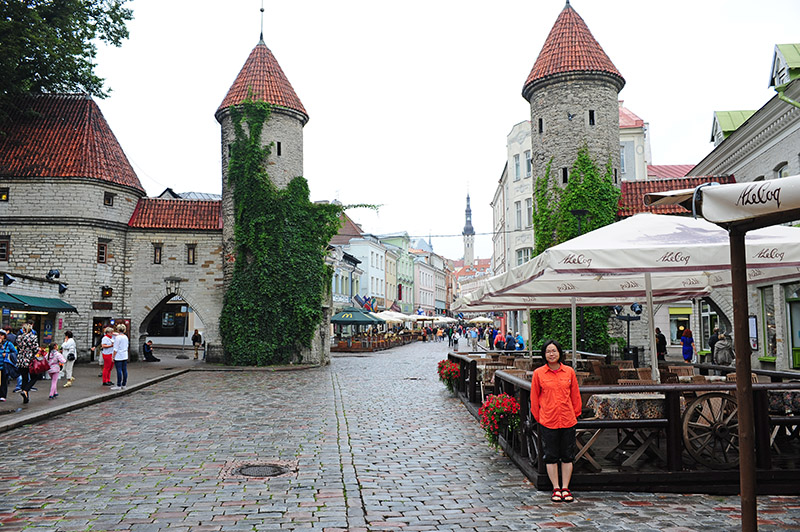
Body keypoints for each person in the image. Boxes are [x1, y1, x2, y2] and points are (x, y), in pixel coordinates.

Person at [530, 339, 581, 503]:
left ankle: (565, 487)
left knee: (567, 455)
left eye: (554, 351)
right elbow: (534, 397)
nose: (551, 354)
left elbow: (575, 395)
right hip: (548, 419)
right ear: (544, 355)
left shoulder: (569, 372)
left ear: (559, 353)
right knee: (551, 455)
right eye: (548, 351)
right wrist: (540, 417)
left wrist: (575, 413)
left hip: (567, 419)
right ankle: (556, 488)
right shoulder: (539, 373)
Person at [17, 323, 40, 404]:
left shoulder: (19, 337)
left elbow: (19, 347)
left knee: (24, 378)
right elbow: (36, 349)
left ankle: (26, 398)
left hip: (21, 359)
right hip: (29, 359)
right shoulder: (33, 337)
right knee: (34, 377)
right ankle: (26, 390)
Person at [0, 330, 19, 402]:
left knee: (4, 381)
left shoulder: (8, 344)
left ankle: (2, 395)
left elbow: (15, 352)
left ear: (5, 336)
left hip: (5, 365)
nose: (0, 336)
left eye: (2, 335)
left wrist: (7, 355)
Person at [111, 323, 129, 390]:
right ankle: (124, 384)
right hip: (125, 355)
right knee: (124, 370)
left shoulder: (118, 338)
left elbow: (115, 348)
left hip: (118, 355)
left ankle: (118, 385)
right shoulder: (125, 337)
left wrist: (113, 357)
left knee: (119, 370)